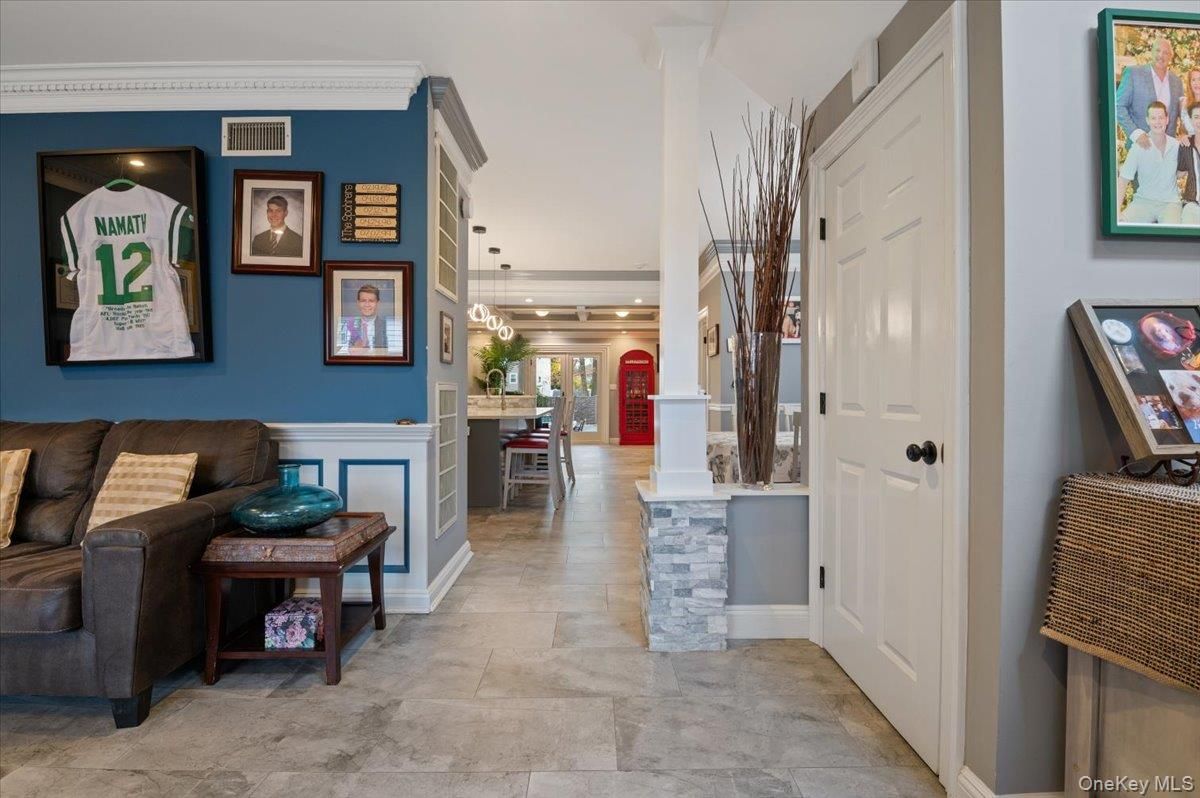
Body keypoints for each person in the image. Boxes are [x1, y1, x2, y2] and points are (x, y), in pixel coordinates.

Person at [1117, 102, 1181, 224]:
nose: (1158, 122)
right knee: (1123, 224)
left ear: (1167, 119)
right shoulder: (1138, 146)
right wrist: (1117, 212)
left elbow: (1181, 172)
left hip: (1170, 204)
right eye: (1153, 118)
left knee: (1173, 235)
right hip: (1143, 202)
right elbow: (1123, 179)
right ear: (1147, 120)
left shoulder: (1176, 146)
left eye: (1161, 118)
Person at [1115, 38, 1184, 150]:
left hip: (1168, 152)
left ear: (1171, 56)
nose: (1161, 55)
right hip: (1141, 148)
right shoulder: (1133, 73)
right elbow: (1118, 106)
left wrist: (1184, 134)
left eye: (1165, 52)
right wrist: (1135, 133)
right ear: (1151, 52)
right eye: (1157, 50)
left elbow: (1183, 114)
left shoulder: (1177, 82)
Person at [338, 284, 392, 353]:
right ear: (358, 303)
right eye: (363, 301)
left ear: (377, 303)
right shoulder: (346, 325)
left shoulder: (388, 325)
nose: (367, 304)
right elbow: (341, 352)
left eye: (371, 301)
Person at [1180, 103, 1200, 225]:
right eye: (1196, 117)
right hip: (1192, 204)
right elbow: (1179, 172)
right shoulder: (1186, 145)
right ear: (1191, 120)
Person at [1180, 69, 1200, 137]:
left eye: (1199, 79)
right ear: (1189, 83)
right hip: (1190, 145)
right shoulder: (1184, 102)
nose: (1197, 83)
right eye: (1193, 80)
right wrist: (1183, 135)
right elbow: (1182, 129)